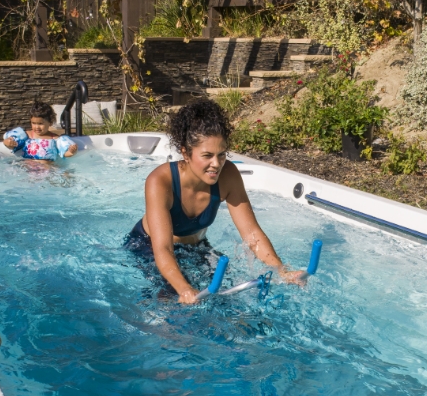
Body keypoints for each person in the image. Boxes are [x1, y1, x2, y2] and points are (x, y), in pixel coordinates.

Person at [126, 99, 306, 304]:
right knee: (171, 302)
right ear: (185, 152)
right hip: (149, 246)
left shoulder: (228, 175)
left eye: (222, 155)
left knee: (224, 296)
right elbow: (163, 249)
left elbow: (252, 234)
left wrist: (281, 271)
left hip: (196, 247)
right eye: (207, 155)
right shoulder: (160, 182)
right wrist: (184, 289)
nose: (216, 164)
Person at [3, 100, 78, 160]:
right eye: (33, 123)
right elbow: (12, 146)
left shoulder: (55, 139)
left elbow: (64, 153)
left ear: (50, 123)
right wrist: (7, 142)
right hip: (29, 168)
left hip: (48, 169)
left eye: (40, 124)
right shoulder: (27, 135)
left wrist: (71, 151)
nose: (37, 127)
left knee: (66, 174)